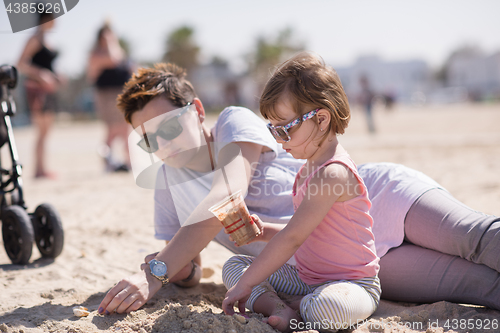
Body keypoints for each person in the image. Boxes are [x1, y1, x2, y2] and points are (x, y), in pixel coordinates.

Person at [98, 62, 500, 316]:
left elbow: (226, 197)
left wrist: (155, 273)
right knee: (476, 286)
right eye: (148, 139)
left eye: (167, 126)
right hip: (335, 262)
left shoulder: (232, 124)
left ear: (197, 111)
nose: (161, 144)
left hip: (376, 196)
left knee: (479, 239)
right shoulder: (167, 184)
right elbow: (186, 268)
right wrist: (172, 268)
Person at [221, 52, 380, 331]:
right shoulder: (308, 166)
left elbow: (293, 238)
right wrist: (265, 231)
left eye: (286, 129)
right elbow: (303, 230)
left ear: (321, 119)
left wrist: (246, 285)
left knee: (324, 307)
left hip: (352, 284)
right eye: (274, 130)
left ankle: (299, 307)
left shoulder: (332, 173)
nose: (280, 140)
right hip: (306, 277)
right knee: (234, 266)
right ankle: (281, 307)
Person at [17, 10, 61, 178]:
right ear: (46, 19)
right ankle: (38, 170)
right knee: (40, 130)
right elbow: (21, 63)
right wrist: (41, 74)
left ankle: (42, 168)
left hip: (48, 91)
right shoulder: (34, 39)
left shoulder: (46, 40)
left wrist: (56, 75)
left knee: (46, 131)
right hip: (36, 91)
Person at [87, 23, 131, 172]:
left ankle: (129, 162)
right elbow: (114, 59)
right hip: (107, 95)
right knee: (112, 130)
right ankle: (108, 163)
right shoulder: (97, 54)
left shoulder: (118, 50)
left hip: (121, 93)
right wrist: (111, 42)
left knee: (126, 129)